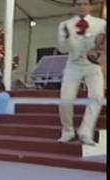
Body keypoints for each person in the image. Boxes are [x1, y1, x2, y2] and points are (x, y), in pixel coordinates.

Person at [57, 0, 106, 145]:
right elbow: (62, 49)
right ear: (74, 7)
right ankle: (67, 131)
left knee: (97, 96)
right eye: (78, 4)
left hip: (93, 65)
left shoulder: (101, 23)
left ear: (90, 6)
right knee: (66, 99)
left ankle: (85, 131)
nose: (82, 6)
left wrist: (101, 56)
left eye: (85, 3)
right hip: (73, 64)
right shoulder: (64, 25)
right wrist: (66, 38)